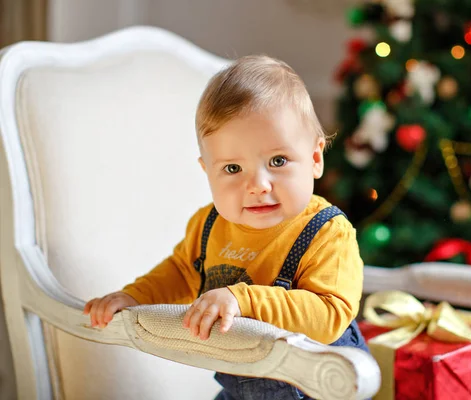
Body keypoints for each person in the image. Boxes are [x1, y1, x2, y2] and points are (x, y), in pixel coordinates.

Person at [84, 54, 369, 400]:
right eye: (233, 169)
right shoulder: (208, 225)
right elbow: (179, 272)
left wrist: (243, 299)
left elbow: (329, 315)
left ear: (315, 158)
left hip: (319, 386)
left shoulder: (327, 233)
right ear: (207, 171)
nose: (258, 184)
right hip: (241, 386)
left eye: (277, 161)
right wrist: (134, 296)